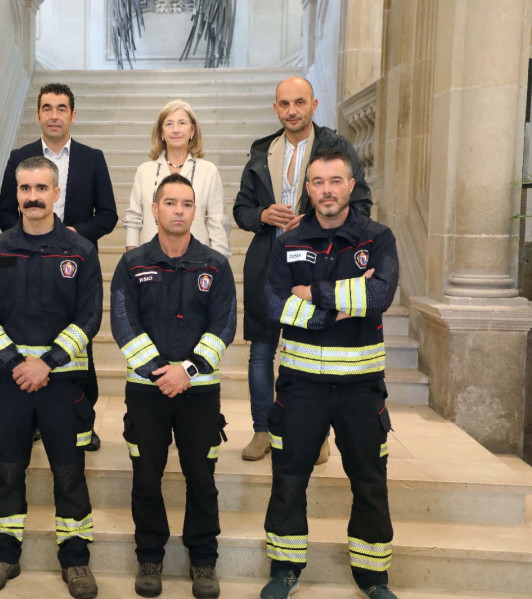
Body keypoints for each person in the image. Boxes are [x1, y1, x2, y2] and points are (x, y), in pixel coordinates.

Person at [259, 148, 398, 599]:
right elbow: (276, 303)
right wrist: (333, 312)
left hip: (361, 387)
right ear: (308, 189)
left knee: (369, 481)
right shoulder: (288, 240)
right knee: (289, 478)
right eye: (317, 182)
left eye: (334, 181)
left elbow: (379, 295)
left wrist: (314, 292)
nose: (326, 191)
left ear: (351, 186)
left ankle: (372, 576)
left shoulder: (378, 238)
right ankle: (284, 570)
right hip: (300, 387)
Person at [0, 156, 102, 599]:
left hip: (63, 385)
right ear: (16, 194)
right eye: (24, 189)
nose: (32, 197)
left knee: (69, 475)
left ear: (56, 192)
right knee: (8, 472)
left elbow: (88, 318)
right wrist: (14, 362)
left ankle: (76, 561)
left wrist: (46, 362)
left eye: (41, 188)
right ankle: (4, 556)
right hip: (10, 384)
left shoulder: (81, 250)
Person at [233, 76, 372, 463]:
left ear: (313, 104)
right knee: (261, 351)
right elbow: (240, 210)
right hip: (267, 266)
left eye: (299, 102)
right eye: (284, 104)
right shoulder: (263, 151)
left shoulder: (335, 147)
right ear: (276, 109)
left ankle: (317, 434)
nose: (291, 110)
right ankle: (263, 429)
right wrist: (262, 214)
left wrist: (315, 225)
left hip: (319, 267)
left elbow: (360, 204)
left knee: (314, 351)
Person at [111, 173, 236, 599]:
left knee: (201, 476)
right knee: (146, 476)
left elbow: (224, 324)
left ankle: (203, 561)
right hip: (146, 392)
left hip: (199, 392)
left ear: (196, 211)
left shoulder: (215, 265)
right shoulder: (131, 264)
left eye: (186, 203)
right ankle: (150, 556)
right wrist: (160, 371)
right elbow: (124, 324)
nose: (178, 210)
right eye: (170, 203)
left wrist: (189, 370)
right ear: (155, 209)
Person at [0, 83, 117, 451]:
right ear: (37, 115)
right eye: (47, 108)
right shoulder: (21, 156)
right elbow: (4, 213)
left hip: (74, 267)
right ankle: (31, 418)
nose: (53, 115)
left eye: (61, 108)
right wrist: (31, 235)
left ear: (72, 115)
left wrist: (70, 237)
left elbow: (108, 215)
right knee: (28, 335)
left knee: (81, 346)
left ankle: (85, 418)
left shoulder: (92, 158)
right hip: (26, 267)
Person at [122, 99, 231, 258]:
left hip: (197, 262)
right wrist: (132, 259)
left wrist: (217, 264)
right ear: (161, 133)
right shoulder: (144, 171)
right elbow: (134, 218)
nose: (175, 130)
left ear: (192, 130)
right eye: (169, 124)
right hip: (151, 261)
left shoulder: (209, 171)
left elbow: (217, 222)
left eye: (182, 123)